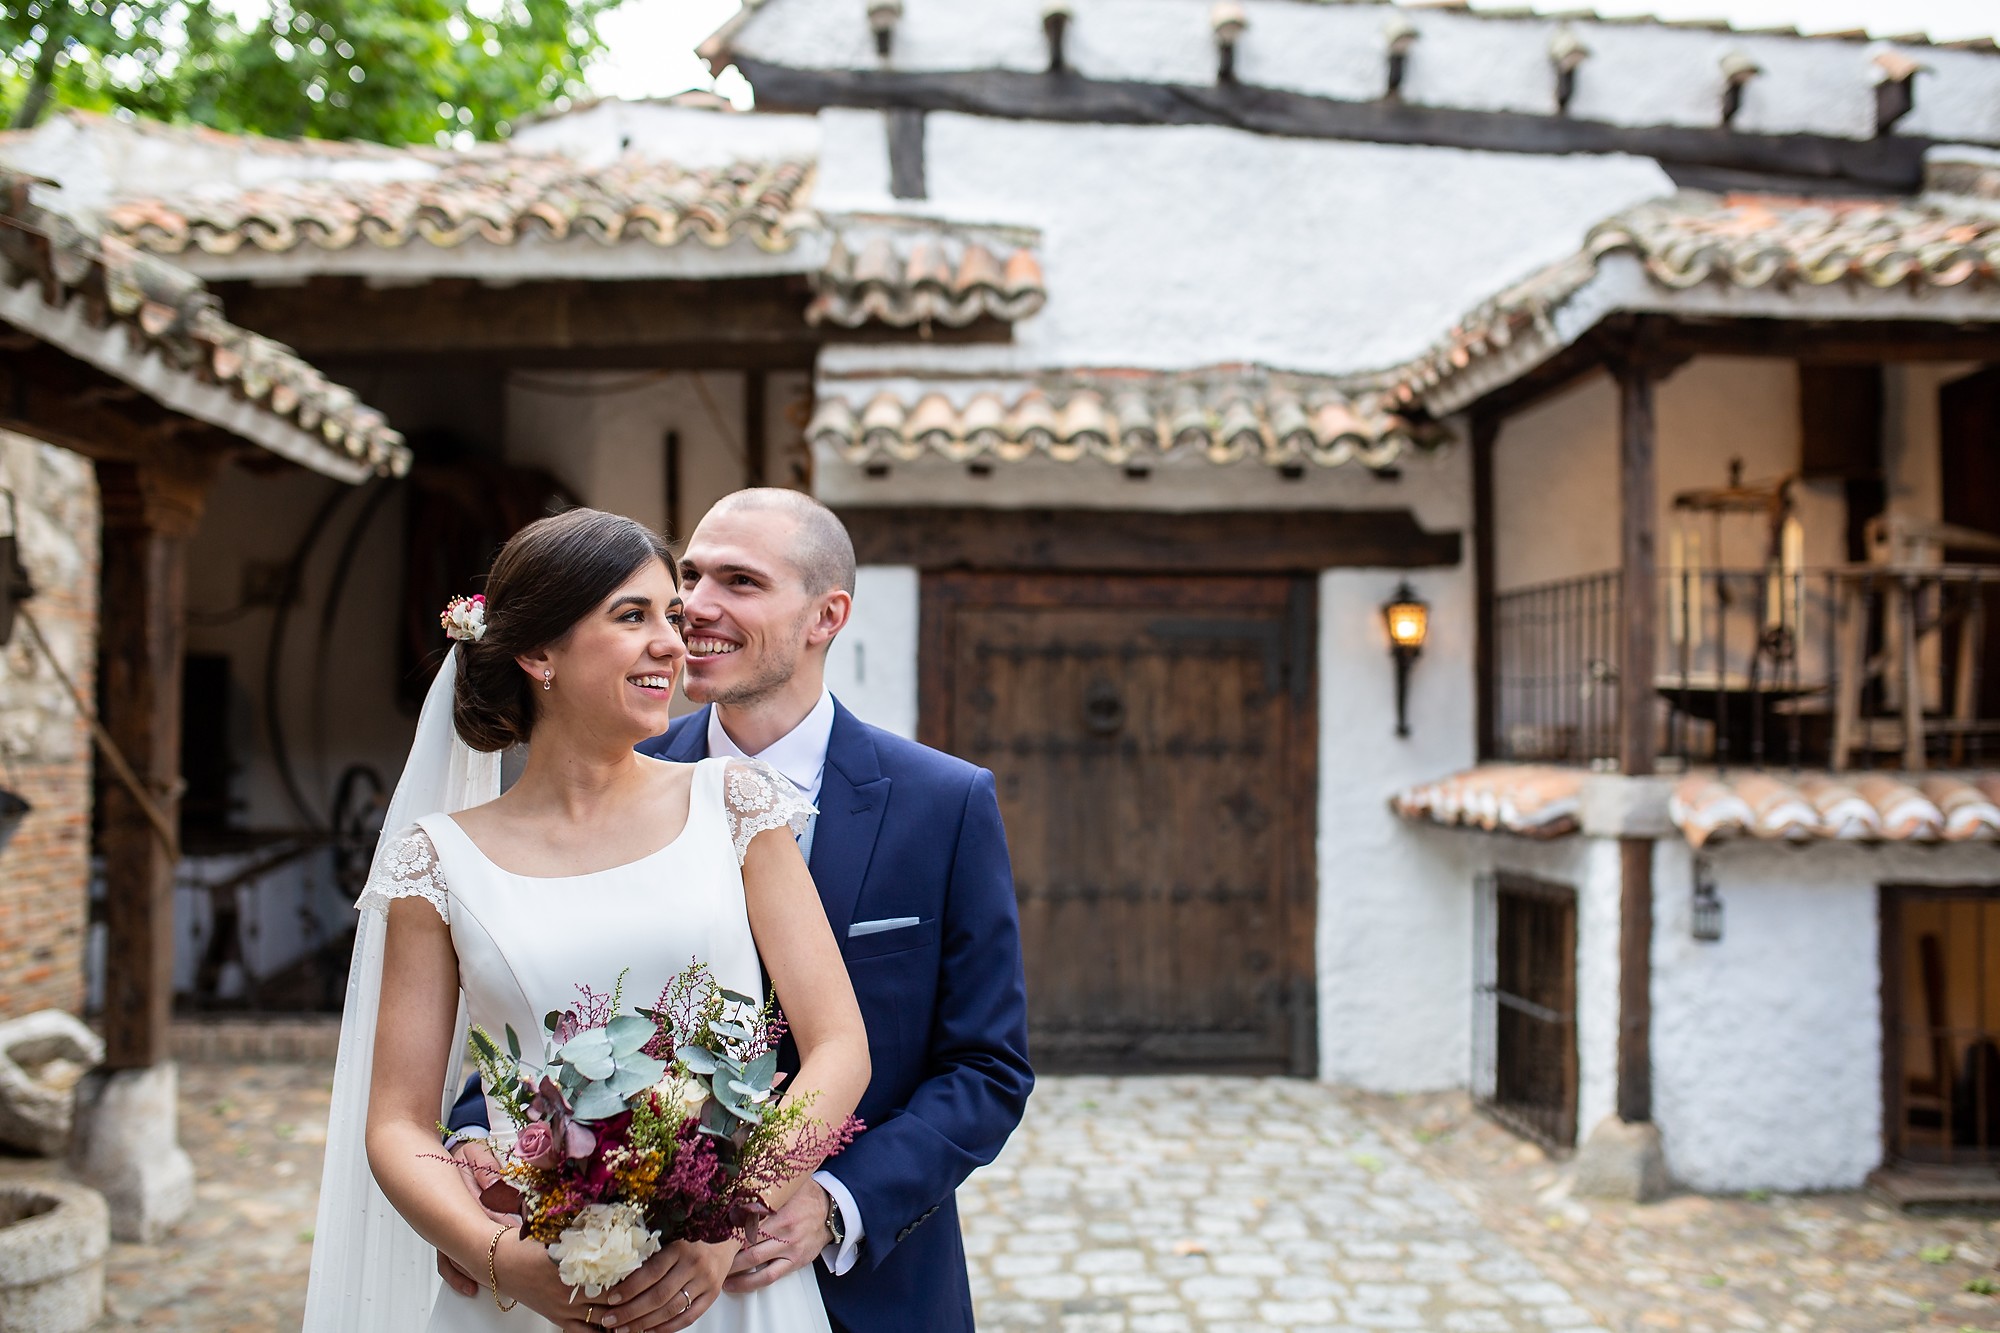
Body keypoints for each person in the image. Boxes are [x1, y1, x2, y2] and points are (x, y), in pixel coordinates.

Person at [440, 489, 1034, 1332]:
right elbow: (545, 988)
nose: (697, 609)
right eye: (691, 578)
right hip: (614, 1272)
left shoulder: (946, 803)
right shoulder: (608, 778)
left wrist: (834, 1199)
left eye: (741, 582)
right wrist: (477, 1137)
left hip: (871, 1282)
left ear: (827, 614)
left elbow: (986, 1065)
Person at [303, 507, 871, 1333]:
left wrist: (727, 1214)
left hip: (722, 1286)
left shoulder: (735, 807)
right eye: (633, 616)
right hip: (538, 1285)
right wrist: (505, 1262)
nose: (674, 643)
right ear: (539, 653)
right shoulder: (437, 862)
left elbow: (839, 1044)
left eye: (671, 618)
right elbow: (396, 1120)